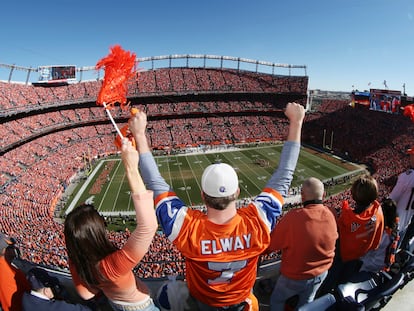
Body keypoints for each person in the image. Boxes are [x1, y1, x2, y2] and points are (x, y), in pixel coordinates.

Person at [130, 102, 305, 310]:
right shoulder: (258, 222)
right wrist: (296, 122)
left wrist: (140, 136)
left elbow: (155, 183)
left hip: (204, 302)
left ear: (203, 196)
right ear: (237, 192)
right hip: (243, 304)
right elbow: (285, 175)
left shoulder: (187, 229)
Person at [64, 139, 159, 311]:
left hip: (116, 304)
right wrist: (130, 167)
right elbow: (148, 227)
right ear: (97, 232)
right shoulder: (111, 266)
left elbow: (87, 294)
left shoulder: (80, 262)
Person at [268, 177, 338, 311]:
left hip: (295, 276)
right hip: (322, 273)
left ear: (302, 196)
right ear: (323, 195)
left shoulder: (294, 217)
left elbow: (271, 245)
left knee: (277, 300)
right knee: (307, 302)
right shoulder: (332, 213)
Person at [318, 174, 384, 296]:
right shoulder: (377, 210)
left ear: (353, 195)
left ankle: (324, 297)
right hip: (359, 254)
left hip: (341, 255)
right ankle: (339, 296)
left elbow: (336, 231)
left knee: (330, 279)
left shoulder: (348, 216)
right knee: (345, 280)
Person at [22, 267, 92, 311]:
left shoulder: (25, 298)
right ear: (46, 291)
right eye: (53, 288)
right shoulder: (56, 307)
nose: (55, 290)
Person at [359, 198, 399, 273]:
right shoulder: (394, 228)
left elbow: (369, 249)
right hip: (382, 261)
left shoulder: (383, 234)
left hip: (373, 264)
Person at [389, 146, 414, 248]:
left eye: (412, 155)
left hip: (395, 224)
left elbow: (391, 201)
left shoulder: (407, 176)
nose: (410, 157)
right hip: (407, 223)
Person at [0, 233, 31, 311]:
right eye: (11, 248)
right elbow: (29, 291)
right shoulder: (15, 274)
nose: (14, 251)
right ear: (3, 250)